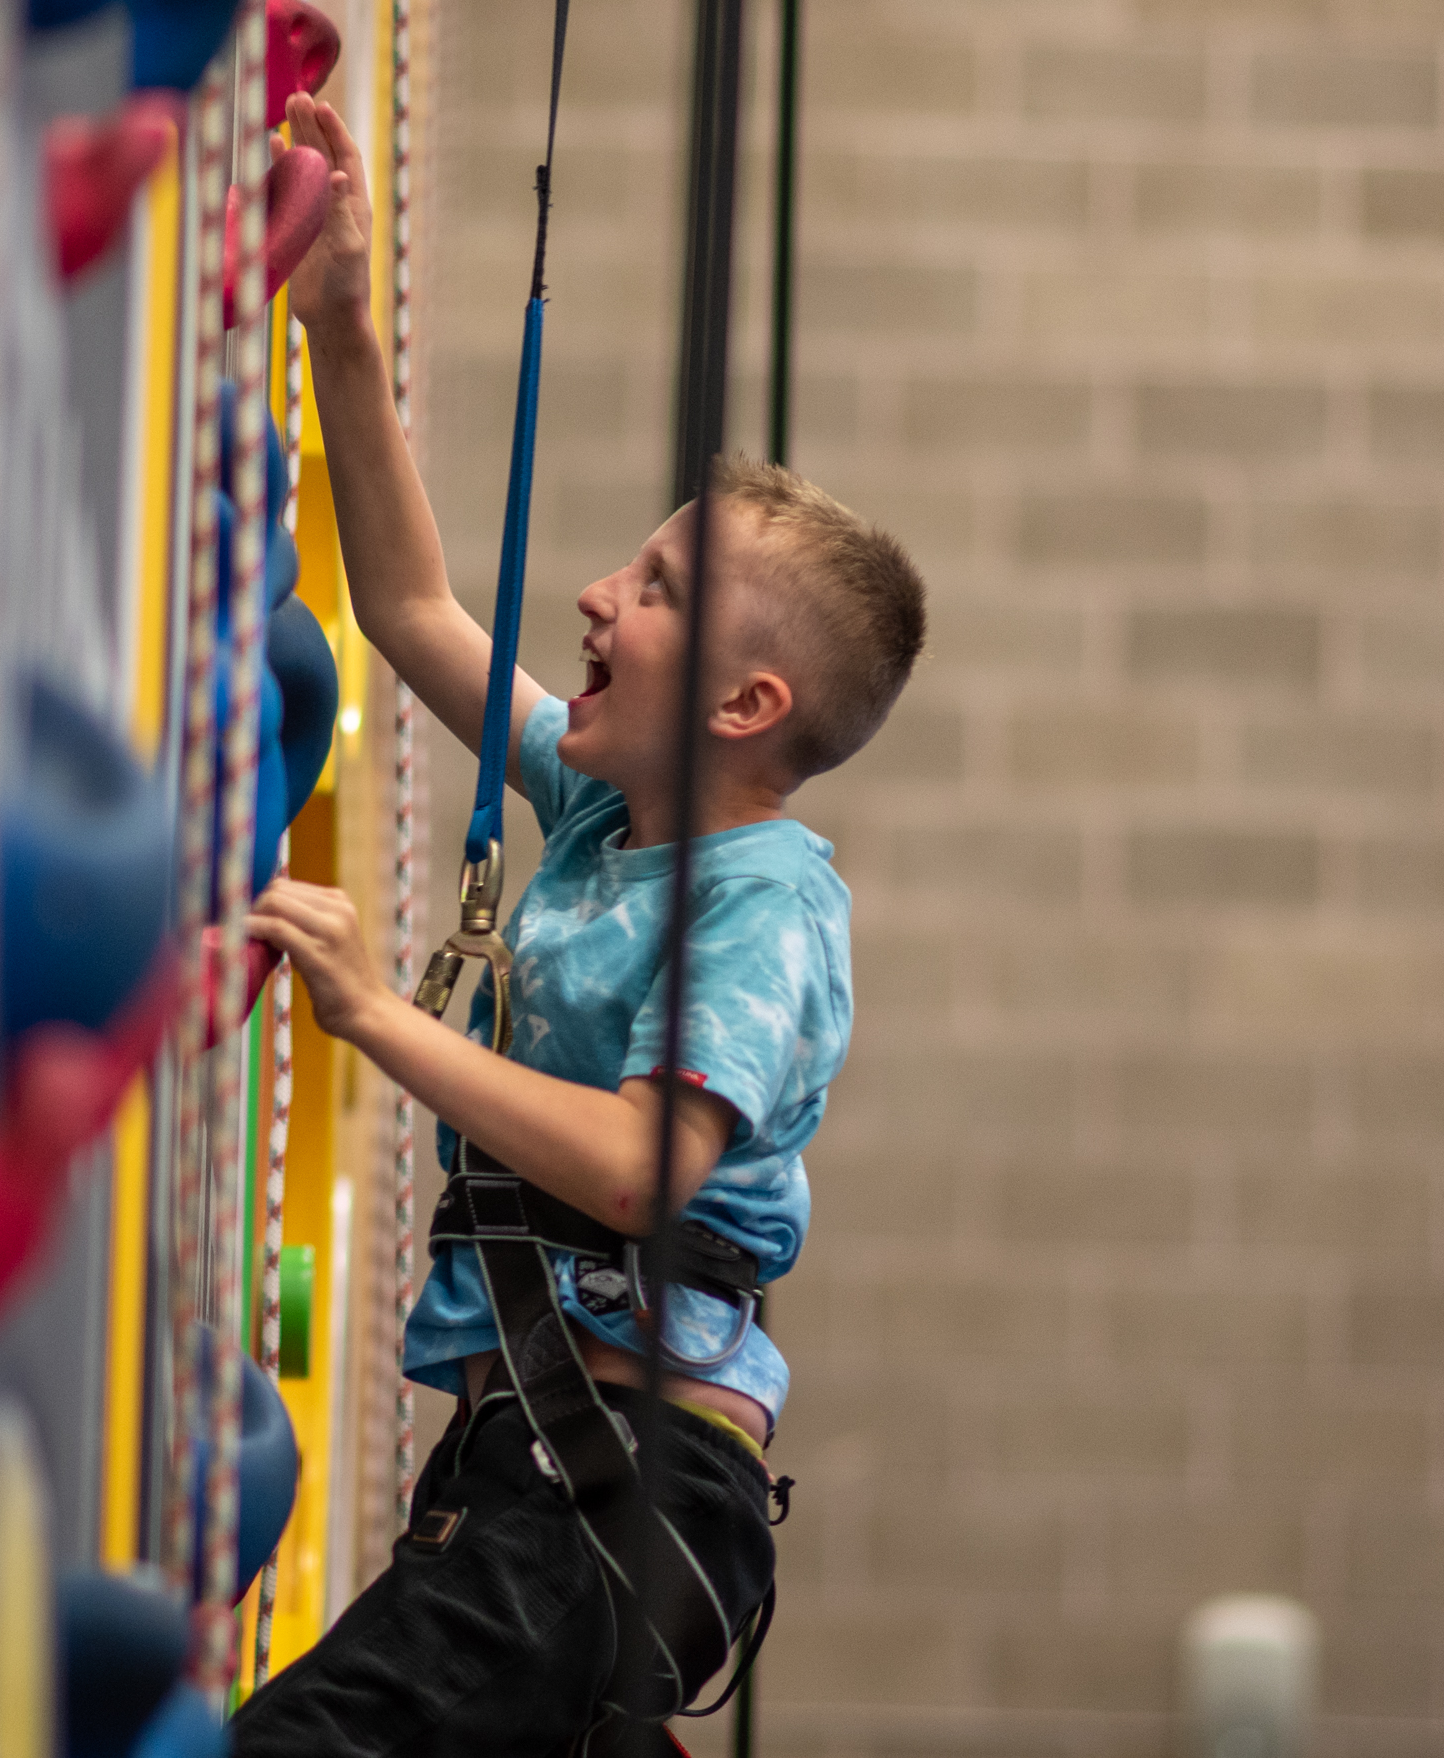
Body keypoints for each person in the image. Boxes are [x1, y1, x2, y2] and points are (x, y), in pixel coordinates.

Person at [233, 92, 927, 1758]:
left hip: (614, 1494)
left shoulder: (763, 907)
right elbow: (408, 607)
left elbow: (639, 1170)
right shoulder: (616, 812)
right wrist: (339, 316)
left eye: (661, 589)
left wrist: (377, 1012)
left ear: (752, 704)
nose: (601, 602)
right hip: (538, 1472)